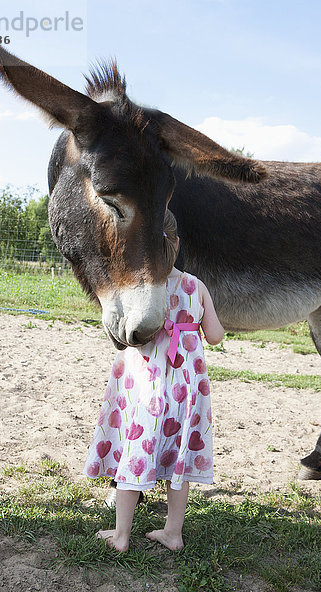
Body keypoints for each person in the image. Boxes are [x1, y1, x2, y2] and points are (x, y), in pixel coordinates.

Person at [83, 210, 224, 552]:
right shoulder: (196, 286)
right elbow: (216, 336)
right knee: (180, 462)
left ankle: (120, 536)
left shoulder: (138, 290)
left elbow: (124, 333)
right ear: (175, 244)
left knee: (135, 454)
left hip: (148, 388)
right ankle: (173, 533)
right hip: (188, 392)